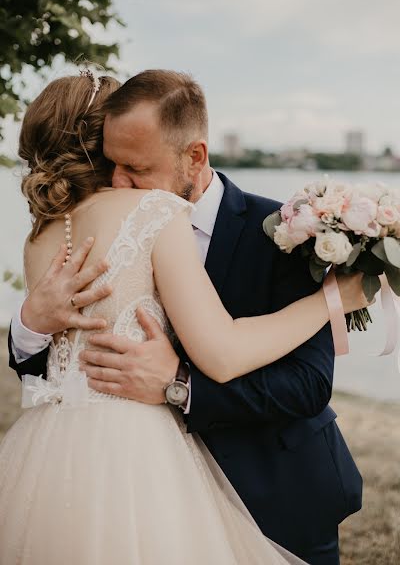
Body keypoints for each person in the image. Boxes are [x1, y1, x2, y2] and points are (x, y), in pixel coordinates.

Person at [6, 70, 366, 565]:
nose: (118, 179)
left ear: (193, 156)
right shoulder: (149, 210)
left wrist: (177, 383)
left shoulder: (285, 231)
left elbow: (309, 383)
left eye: (133, 164)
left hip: (276, 486)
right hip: (146, 484)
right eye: (113, 161)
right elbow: (47, 360)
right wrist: (30, 322)